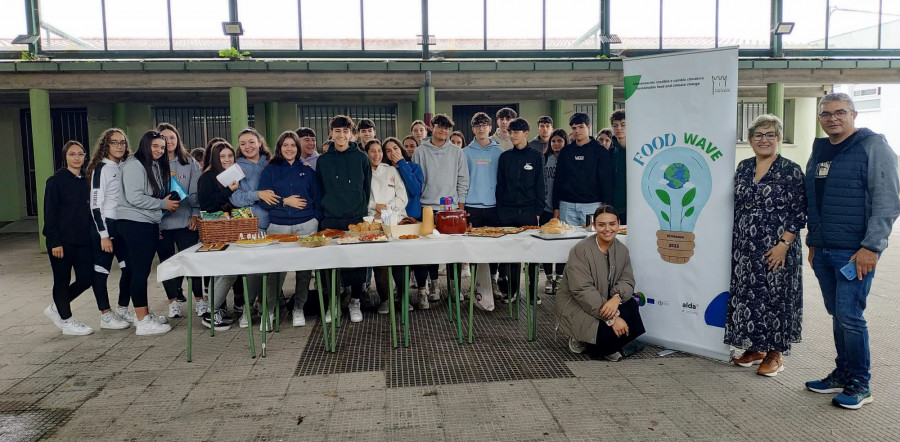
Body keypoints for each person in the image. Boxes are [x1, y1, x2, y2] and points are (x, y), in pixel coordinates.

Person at [804, 93, 900, 410]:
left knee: (849, 316)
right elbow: (814, 200)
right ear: (820, 119)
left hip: (855, 252)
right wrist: (815, 242)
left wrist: (872, 247)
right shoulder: (819, 150)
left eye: (840, 112)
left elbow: (887, 201)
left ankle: (861, 383)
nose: (833, 118)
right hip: (825, 249)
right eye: (826, 113)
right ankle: (843, 373)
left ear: (853, 115)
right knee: (838, 315)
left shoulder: (874, 146)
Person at [725, 114, 807, 377]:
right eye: (758, 135)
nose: (764, 139)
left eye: (770, 134)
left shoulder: (790, 169)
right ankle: (756, 347)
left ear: (779, 138)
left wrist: (784, 244)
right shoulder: (744, 167)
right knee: (750, 296)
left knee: (776, 299)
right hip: (745, 248)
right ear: (749, 140)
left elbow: (798, 211)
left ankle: (775, 354)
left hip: (777, 248)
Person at [556, 205, 644, 361]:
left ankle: (605, 342)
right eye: (601, 225)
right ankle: (586, 340)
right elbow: (582, 291)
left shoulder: (622, 250)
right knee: (606, 337)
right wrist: (613, 318)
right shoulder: (580, 250)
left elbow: (628, 280)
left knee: (631, 306)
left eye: (612, 224)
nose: (607, 229)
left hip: (607, 302)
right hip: (579, 306)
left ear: (618, 224)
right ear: (594, 226)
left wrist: (617, 298)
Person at [116, 130, 178, 335]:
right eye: (155, 146)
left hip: (146, 223)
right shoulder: (135, 165)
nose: (160, 150)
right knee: (139, 272)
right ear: (145, 145)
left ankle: (142, 313)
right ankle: (142, 321)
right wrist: (163, 204)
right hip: (135, 224)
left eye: (162, 147)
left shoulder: (151, 165)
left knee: (140, 271)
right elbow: (135, 197)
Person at [259, 131, 323, 328]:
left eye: (293, 145)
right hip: (278, 226)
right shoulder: (270, 171)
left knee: (304, 270)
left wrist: (315, 219)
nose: (289, 149)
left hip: (306, 225)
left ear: (298, 148)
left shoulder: (307, 170)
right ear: (279, 148)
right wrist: (285, 202)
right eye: (285, 145)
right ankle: (269, 311)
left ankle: (299, 308)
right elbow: (265, 202)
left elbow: (318, 198)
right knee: (276, 271)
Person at [316, 115, 372, 323]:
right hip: (330, 219)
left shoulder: (362, 158)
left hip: (355, 218)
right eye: (337, 131)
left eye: (345, 131)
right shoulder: (323, 161)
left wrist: (361, 211)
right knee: (329, 264)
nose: (341, 135)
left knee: (357, 263)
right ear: (331, 133)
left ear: (352, 134)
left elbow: (366, 189)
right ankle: (334, 302)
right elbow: (320, 189)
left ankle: (355, 300)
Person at [413, 114, 470, 301]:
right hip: (426, 208)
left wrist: (460, 206)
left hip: (450, 209)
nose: (443, 131)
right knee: (427, 252)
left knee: (453, 251)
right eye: (440, 127)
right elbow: (417, 182)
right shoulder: (420, 151)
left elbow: (463, 179)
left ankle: (454, 288)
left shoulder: (456, 152)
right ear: (432, 127)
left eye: (447, 128)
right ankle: (432, 287)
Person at [42, 141, 96, 335]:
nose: (77, 158)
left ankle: (57, 307)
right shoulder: (55, 181)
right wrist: (55, 241)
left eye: (80, 154)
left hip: (82, 240)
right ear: (65, 157)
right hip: (61, 242)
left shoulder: (87, 180)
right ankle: (66, 321)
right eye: (72, 154)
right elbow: (50, 213)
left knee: (87, 278)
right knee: (62, 279)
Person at [85, 128, 133, 330]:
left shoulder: (124, 166)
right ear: (106, 145)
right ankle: (105, 314)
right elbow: (95, 205)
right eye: (114, 142)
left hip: (122, 225)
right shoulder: (101, 168)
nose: (119, 146)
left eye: (122, 142)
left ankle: (122, 308)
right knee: (101, 271)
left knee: (129, 268)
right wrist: (103, 235)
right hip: (105, 226)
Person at [156, 123, 204, 319]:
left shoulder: (189, 163)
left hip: (186, 222)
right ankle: (173, 302)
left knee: (192, 262)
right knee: (167, 264)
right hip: (161, 224)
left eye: (173, 137)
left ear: (178, 140)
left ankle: (200, 301)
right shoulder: (152, 164)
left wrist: (195, 214)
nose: (169, 142)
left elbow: (195, 193)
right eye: (164, 138)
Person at [229, 127, 276, 327]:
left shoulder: (271, 162)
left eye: (251, 142)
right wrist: (258, 194)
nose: (247, 146)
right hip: (252, 226)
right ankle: (248, 309)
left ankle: (268, 308)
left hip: (275, 223)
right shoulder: (235, 168)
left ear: (259, 142)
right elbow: (236, 198)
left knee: (273, 270)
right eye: (243, 143)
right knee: (252, 272)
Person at [496, 118, 544, 305]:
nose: (512, 135)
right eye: (510, 132)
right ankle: (512, 291)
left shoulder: (535, 156)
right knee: (512, 254)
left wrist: (538, 211)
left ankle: (532, 291)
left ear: (526, 133)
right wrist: (501, 210)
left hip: (529, 211)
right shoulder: (505, 157)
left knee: (531, 253)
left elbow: (541, 185)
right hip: (507, 211)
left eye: (516, 132)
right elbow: (500, 185)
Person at [196, 141, 241, 330]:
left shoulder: (233, 175)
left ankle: (216, 309)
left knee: (227, 271)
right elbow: (207, 203)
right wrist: (228, 191)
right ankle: (210, 312)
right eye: (222, 156)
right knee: (224, 271)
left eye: (230, 156)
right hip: (216, 231)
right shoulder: (207, 177)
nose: (227, 159)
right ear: (215, 158)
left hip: (231, 230)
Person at [463, 112, 504, 299]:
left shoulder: (499, 152)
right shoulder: (465, 152)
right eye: (477, 125)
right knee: (474, 248)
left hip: (493, 206)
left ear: (490, 128)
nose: (481, 128)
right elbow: (462, 180)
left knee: (493, 248)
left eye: (484, 125)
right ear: (473, 129)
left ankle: (493, 281)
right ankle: (476, 284)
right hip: (472, 206)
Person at [383, 136, 428, 305]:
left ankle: (422, 290)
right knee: (398, 260)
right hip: (394, 221)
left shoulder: (413, 167)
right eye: (388, 150)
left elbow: (415, 189)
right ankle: (402, 293)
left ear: (401, 149)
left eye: (395, 148)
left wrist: (402, 164)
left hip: (413, 218)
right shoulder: (385, 170)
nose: (392, 152)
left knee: (419, 259)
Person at [553, 112, 614, 228]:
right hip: (567, 205)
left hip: (592, 205)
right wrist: (556, 207)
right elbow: (558, 180)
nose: (577, 131)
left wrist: (606, 208)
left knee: (592, 241)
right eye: (574, 128)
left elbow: (607, 182)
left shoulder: (600, 151)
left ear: (589, 127)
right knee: (567, 242)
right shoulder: (565, 151)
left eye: (581, 127)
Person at [540, 129, 569, 294]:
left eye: (560, 141)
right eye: (553, 141)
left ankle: (559, 277)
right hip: (545, 207)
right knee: (545, 244)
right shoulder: (543, 159)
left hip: (562, 206)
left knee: (560, 244)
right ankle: (549, 277)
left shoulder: (567, 160)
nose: (556, 144)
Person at [608, 110, 627, 224]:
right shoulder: (609, 151)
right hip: (614, 206)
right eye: (615, 125)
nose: (619, 128)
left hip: (633, 206)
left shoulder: (639, 150)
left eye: (623, 125)